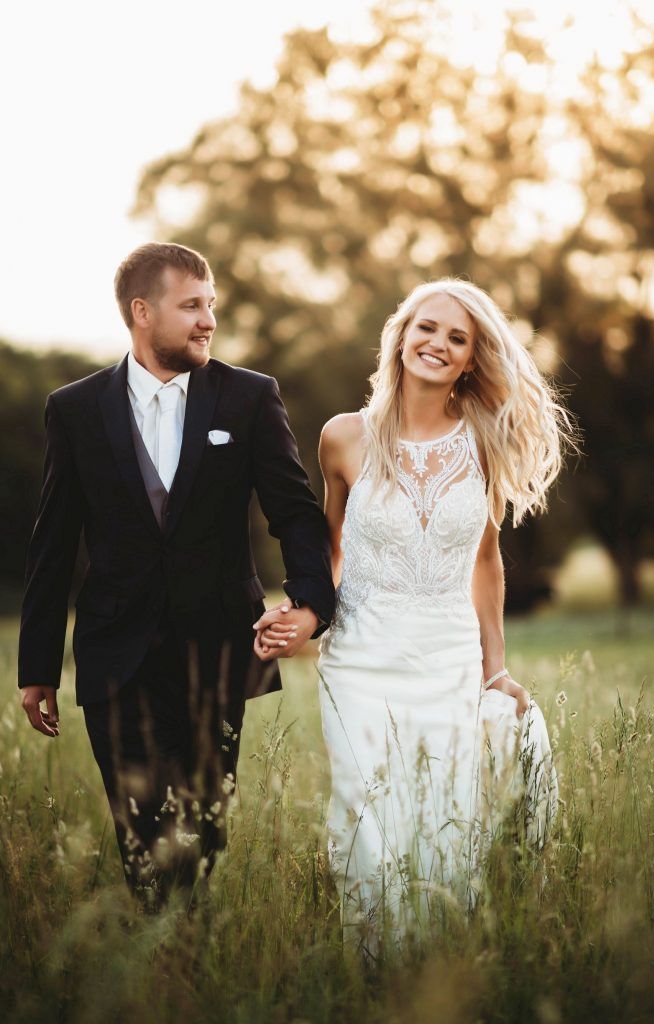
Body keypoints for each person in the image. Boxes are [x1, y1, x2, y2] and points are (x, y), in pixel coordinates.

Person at [18, 242, 334, 909]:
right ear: (142, 311)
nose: (207, 320)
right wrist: (37, 666)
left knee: (201, 833)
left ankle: (187, 959)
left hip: (216, 651)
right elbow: (54, 542)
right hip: (114, 655)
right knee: (142, 833)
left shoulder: (248, 398)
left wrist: (308, 605)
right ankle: (164, 956)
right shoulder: (74, 409)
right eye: (191, 305)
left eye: (210, 305)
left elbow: (296, 516)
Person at [258, 278, 571, 951]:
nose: (438, 344)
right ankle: (371, 965)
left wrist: (495, 669)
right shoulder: (341, 439)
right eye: (427, 328)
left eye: (457, 339)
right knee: (369, 818)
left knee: (443, 820)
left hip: (448, 655)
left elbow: (486, 562)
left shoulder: (486, 440)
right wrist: (305, 615)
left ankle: (438, 967)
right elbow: (331, 550)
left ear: (469, 361)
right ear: (400, 334)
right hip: (362, 659)